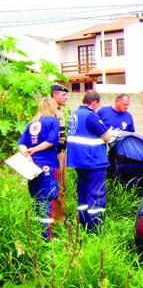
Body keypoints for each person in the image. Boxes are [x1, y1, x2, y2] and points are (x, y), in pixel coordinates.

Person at [67, 90, 120, 233]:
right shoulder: (91, 116)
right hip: (93, 161)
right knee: (96, 193)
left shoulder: (74, 115)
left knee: (83, 193)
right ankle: (96, 228)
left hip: (78, 161)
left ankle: (83, 224)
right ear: (95, 102)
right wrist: (112, 134)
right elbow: (106, 137)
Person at [19, 97, 60, 240]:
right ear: (52, 106)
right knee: (47, 199)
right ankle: (46, 238)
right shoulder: (53, 121)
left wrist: (27, 153)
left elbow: (21, 143)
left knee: (36, 199)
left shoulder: (31, 123)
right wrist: (34, 149)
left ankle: (36, 234)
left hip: (31, 166)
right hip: (48, 164)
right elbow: (51, 141)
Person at [50, 84, 68, 222]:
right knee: (56, 185)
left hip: (62, 153)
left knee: (63, 185)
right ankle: (55, 220)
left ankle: (60, 218)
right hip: (53, 154)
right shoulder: (49, 111)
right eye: (63, 95)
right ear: (54, 95)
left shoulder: (60, 111)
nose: (66, 98)